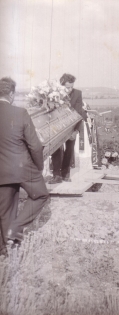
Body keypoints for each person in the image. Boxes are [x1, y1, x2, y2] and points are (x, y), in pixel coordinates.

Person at [0, 77, 49, 254]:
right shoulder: (20, 113)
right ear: (11, 94)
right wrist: (39, 167)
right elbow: (35, 146)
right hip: (21, 167)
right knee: (41, 195)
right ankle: (16, 229)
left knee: (5, 208)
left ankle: (4, 249)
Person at [49, 73, 87, 184]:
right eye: (67, 87)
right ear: (61, 85)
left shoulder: (78, 93)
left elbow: (79, 112)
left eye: (71, 87)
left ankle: (65, 174)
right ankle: (56, 175)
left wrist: (75, 131)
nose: (69, 89)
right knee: (56, 150)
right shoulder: (55, 94)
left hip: (72, 127)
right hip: (57, 127)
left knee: (69, 150)